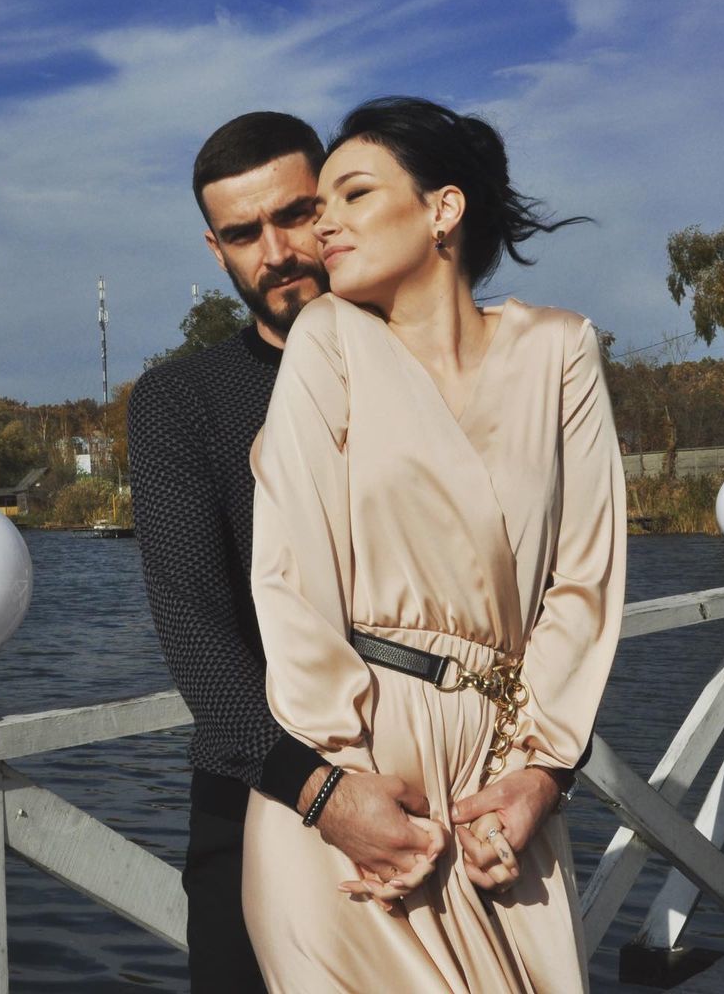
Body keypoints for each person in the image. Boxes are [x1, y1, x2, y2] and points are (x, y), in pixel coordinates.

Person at [129, 110, 573, 992]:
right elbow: (197, 633)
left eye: (297, 215)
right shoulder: (182, 401)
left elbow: (555, 591)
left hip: (471, 797)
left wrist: (544, 772)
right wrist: (323, 794)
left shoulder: (484, 367)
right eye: (242, 234)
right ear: (215, 249)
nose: (277, 252)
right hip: (265, 790)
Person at [244, 96, 626, 993]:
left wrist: (541, 773)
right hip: (361, 784)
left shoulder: (559, 351)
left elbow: (585, 578)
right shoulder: (328, 341)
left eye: (353, 194)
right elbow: (290, 575)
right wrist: (340, 788)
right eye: (319, 206)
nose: (321, 225)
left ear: (442, 209)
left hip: (501, 793)